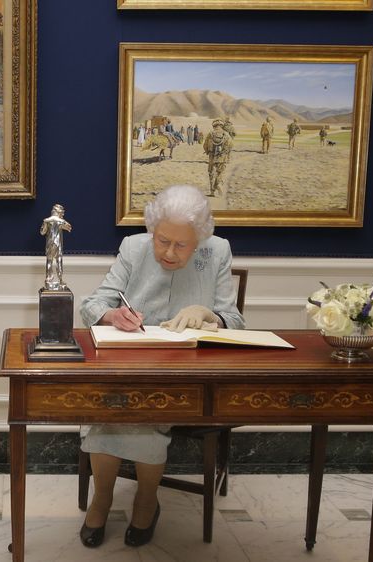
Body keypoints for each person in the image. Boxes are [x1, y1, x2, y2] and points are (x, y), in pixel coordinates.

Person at [78, 185, 244, 548]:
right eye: (162, 240)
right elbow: (94, 303)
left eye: (181, 245)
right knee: (105, 408)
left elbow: (234, 319)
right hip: (129, 361)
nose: (168, 252)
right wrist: (111, 314)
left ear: (199, 239)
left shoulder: (218, 252)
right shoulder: (133, 247)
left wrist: (209, 315)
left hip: (187, 372)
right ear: (152, 231)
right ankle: (102, 499)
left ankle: (145, 500)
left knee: (148, 410)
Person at [40, 203, 71, 290]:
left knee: (49, 261)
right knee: (59, 261)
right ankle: (60, 280)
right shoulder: (61, 221)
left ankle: (49, 280)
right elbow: (69, 228)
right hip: (58, 245)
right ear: (58, 211)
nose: (63, 214)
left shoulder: (47, 220)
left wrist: (46, 223)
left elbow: (42, 232)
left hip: (49, 244)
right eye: (62, 212)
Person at [204, 118, 233, 196]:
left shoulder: (210, 133)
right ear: (221, 125)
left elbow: (205, 145)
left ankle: (212, 191)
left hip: (211, 156)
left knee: (211, 173)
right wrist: (226, 153)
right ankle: (218, 184)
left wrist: (208, 152)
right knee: (220, 172)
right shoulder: (226, 134)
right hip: (222, 157)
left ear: (214, 125)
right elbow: (231, 145)